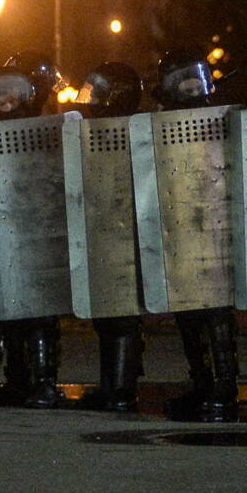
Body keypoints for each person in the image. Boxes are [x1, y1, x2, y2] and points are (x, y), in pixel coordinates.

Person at [154, 49, 240, 422]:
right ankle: (204, 384)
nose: (191, 89)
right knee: (188, 310)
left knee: (216, 311)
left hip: (217, 219)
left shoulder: (223, 117)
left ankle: (223, 387)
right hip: (180, 219)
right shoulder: (159, 122)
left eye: (196, 80)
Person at [0, 65, 64, 407]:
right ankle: (1, 381)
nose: (4, 98)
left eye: (12, 90)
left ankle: (42, 382)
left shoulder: (43, 128)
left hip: (37, 227)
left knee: (39, 309)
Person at [77, 60, 147, 412]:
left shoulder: (134, 129)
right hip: (106, 226)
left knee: (121, 315)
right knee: (107, 313)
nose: (91, 99)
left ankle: (120, 389)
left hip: (126, 230)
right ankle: (112, 384)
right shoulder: (95, 129)